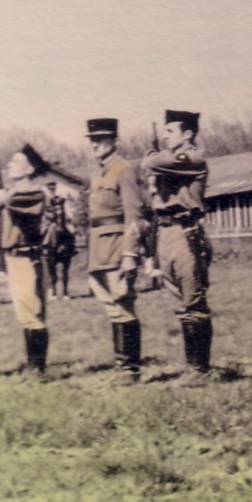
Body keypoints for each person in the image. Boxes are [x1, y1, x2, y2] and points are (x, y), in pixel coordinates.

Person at [141, 109, 216, 377]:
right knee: (180, 302)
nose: (164, 136)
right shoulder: (169, 161)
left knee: (193, 298)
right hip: (165, 231)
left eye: (170, 131)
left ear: (188, 134)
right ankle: (192, 366)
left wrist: (150, 157)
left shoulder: (192, 157)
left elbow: (149, 163)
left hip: (186, 232)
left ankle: (200, 369)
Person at [85, 119, 146, 382]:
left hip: (116, 245)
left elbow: (134, 215)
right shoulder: (98, 173)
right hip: (98, 247)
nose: (95, 144)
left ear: (115, 141)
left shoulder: (124, 170)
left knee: (123, 303)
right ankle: (121, 364)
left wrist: (130, 253)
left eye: (101, 139)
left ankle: (130, 368)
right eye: (92, 139)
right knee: (110, 306)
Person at [1, 144, 56, 378]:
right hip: (15, 257)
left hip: (27, 256)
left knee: (33, 312)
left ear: (29, 168)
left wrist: (4, 196)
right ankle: (32, 367)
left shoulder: (35, 192)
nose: (9, 166)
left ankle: (38, 370)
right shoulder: (15, 192)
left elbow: (17, 202)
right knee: (24, 313)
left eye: (15, 161)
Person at [41, 183, 76, 300]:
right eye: (49, 187)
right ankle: (45, 249)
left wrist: (68, 218)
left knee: (71, 232)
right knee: (46, 232)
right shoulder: (44, 198)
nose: (51, 189)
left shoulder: (61, 198)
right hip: (50, 224)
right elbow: (44, 213)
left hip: (61, 222)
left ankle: (71, 248)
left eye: (53, 187)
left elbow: (67, 213)